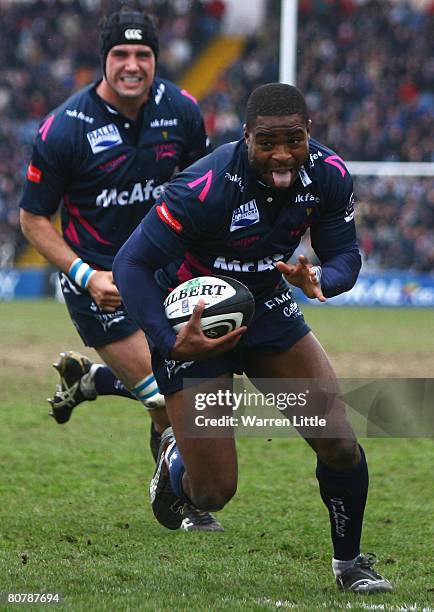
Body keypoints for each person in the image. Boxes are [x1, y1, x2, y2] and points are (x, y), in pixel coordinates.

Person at [113, 83, 393, 592]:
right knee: (213, 492)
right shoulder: (204, 186)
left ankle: (350, 565)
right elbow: (131, 263)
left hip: (267, 306)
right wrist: (167, 338)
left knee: (339, 441)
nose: (281, 153)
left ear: (309, 134)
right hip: (193, 316)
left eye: (293, 139)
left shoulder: (328, 176)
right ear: (246, 139)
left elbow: (345, 256)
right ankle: (175, 454)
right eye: (267, 141)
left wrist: (320, 281)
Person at [19, 4, 222, 532]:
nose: (132, 64)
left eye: (143, 54)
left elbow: (199, 192)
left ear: (156, 58)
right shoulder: (64, 128)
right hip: (101, 283)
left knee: (193, 391)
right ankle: (181, 503)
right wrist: (85, 275)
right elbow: (33, 219)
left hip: (164, 273)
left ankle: (91, 383)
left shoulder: (181, 111)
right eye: (121, 54)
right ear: (103, 60)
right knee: (167, 401)